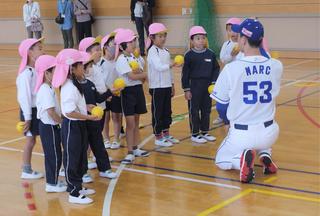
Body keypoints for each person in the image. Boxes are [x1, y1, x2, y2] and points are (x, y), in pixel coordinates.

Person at [211, 19, 282, 183]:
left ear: (243, 40)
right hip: (270, 132)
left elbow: (221, 105)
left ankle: (240, 161)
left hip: (242, 134)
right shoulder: (277, 66)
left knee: (221, 159)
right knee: (261, 128)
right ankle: (264, 154)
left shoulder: (231, 69)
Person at [52, 49, 98, 204]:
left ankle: (78, 186)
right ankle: (73, 192)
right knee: (72, 157)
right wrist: (88, 116)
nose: (83, 68)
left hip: (79, 124)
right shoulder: (69, 87)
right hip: (72, 125)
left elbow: (77, 105)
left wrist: (88, 107)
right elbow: (69, 111)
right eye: (81, 66)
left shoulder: (75, 83)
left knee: (80, 156)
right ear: (72, 68)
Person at [79, 51, 118, 179]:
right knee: (83, 146)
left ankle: (105, 169)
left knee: (98, 144)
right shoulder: (75, 86)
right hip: (83, 120)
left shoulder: (90, 84)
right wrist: (85, 108)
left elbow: (99, 98)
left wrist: (110, 92)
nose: (91, 68)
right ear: (81, 68)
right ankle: (82, 172)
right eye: (89, 66)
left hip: (93, 119)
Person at [115, 29, 150, 164]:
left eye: (134, 40)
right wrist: (145, 74)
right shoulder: (121, 59)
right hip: (128, 93)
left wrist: (142, 75)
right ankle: (129, 151)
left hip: (138, 91)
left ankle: (135, 148)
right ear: (123, 45)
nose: (134, 43)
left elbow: (139, 76)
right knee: (129, 123)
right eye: (131, 42)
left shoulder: (135, 58)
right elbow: (132, 76)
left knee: (136, 122)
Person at [181, 26, 220, 144]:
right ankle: (194, 133)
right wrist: (186, 89)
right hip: (194, 86)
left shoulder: (211, 54)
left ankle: (204, 131)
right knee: (194, 110)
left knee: (206, 110)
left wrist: (213, 82)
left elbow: (216, 69)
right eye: (198, 38)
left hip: (207, 87)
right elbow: (185, 74)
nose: (201, 40)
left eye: (203, 38)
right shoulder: (188, 55)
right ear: (192, 41)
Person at [34, 55, 66, 192]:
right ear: (47, 73)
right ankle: (51, 184)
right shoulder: (45, 90)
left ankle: (54, 180)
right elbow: (51, 113)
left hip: (52, 126)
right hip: (48, 127)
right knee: (53, 154)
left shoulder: (50, 87)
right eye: (54, 71)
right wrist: (63, 122)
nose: (58, 73)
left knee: (56, 153)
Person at [146, 23, 180, 147]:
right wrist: (172, 64)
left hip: (166, 86)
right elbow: (159, 67)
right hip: (156, 87)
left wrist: (172, 84)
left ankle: (166, 134)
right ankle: (158, 136)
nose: (163, 38)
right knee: (158, 112)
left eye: (164, 35)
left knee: (167, 111)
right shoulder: (152, 51)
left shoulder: (166, 51)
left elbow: (169, 71)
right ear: (152, 37)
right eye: (159, 36)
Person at [16, 38, 44, 179]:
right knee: (30, 140)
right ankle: (26, 170)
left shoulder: (37, 70)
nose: (42, 50)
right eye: (39, 48)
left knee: (36, 139)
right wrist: (28, 117)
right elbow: (24, 97)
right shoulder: (26, 74)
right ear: (30, 53)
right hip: (30, 112)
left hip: (38, 110)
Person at [101, 32, 123, 149]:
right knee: (106, 118)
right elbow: (99, 79)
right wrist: (107, 92)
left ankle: (116, 139)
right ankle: (106, 139)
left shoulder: (118, 61)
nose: (115, 46)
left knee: (116, 117)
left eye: (116, 44)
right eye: (112, 44)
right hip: (105, 94)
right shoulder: (101, 62)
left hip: (116, 93)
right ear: (105, 47)